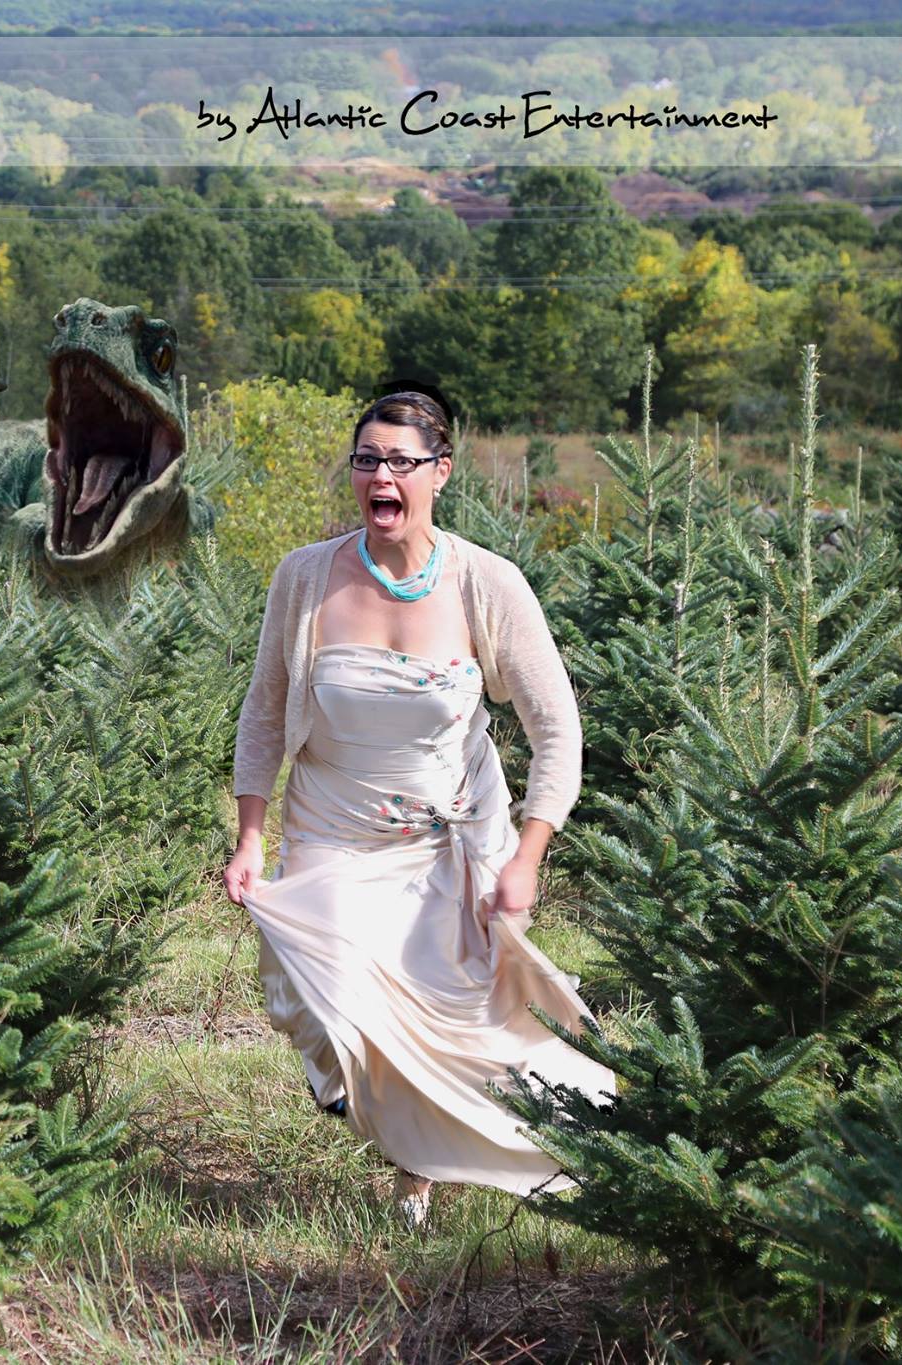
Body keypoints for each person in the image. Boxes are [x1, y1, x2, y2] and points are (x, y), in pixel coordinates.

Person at [222, 389, 614, 1230]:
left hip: (453, 841)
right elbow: (263, 712)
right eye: (366, 459)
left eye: (401, 460)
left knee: (471, 1032)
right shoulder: (304, 577)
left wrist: (528, 854)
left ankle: (424, 1177)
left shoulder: (488, 583)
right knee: (332, 1006)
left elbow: (558, 730)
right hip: (332, 834)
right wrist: (250, 837)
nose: (379, 475)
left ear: (440, 472)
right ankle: (400, 1138)